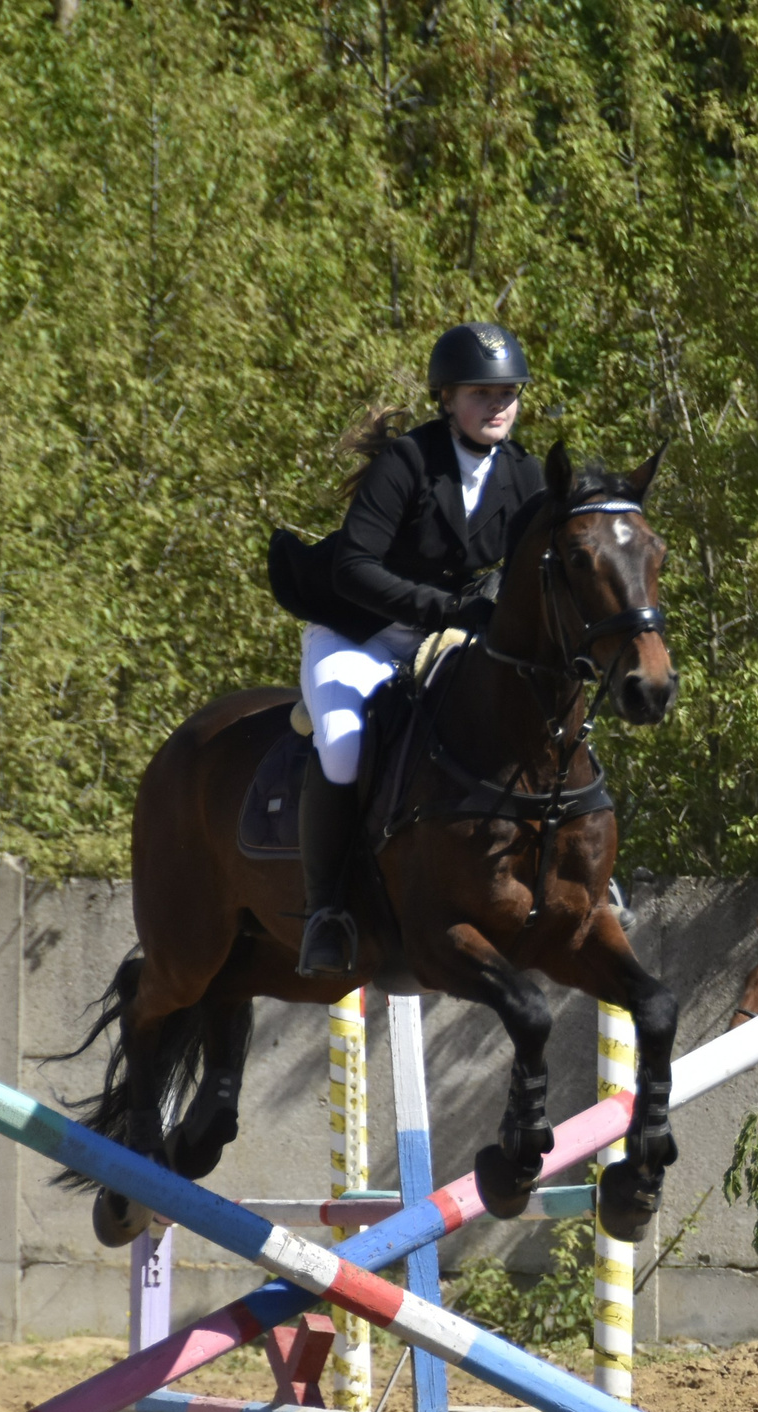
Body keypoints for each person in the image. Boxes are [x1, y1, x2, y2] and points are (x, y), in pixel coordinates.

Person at [267, 321, 550, 976]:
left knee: (531, 721)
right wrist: (452, 609)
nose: (498, 406)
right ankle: (326, 911)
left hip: (447, 641)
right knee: (340, 742)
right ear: (447, 396)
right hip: (356, 632)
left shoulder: (524, 472)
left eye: (509, 393)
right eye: (482, 393)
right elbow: (354, 568)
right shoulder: (407, 463)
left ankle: (566, 874)